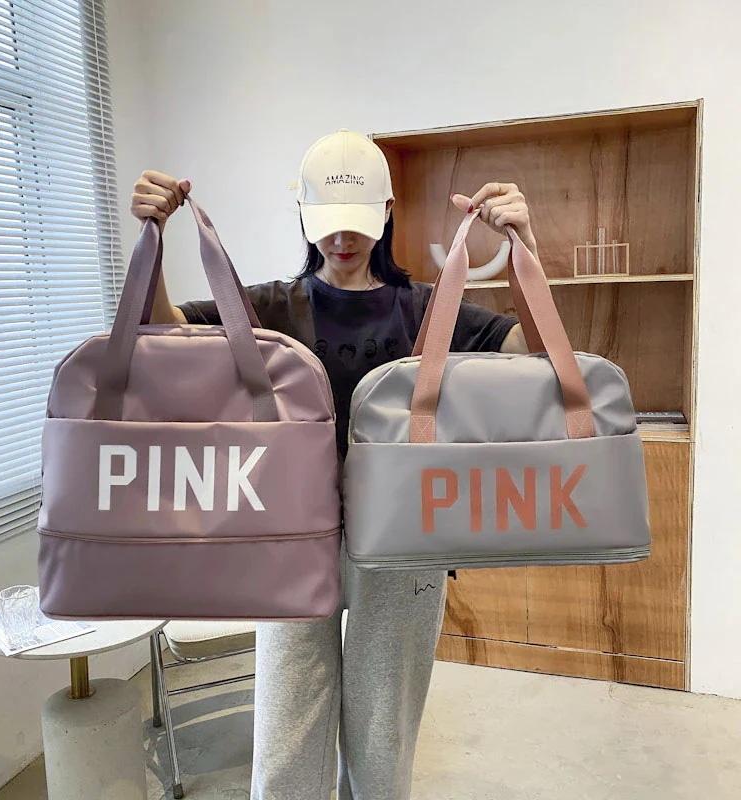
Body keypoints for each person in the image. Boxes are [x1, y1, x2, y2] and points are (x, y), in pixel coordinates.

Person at [131, 129, 535, 800]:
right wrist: (153, 239)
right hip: (291, 534)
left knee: (382, 737)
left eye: (357, 221)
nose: (342, 238)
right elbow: (164, 335)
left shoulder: (428, 308)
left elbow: (536, 353)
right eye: (327, 221)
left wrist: (524, 247)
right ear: (302, 214)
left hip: (404, 538)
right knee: (287, 738)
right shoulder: (266, 307)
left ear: (387, 212)